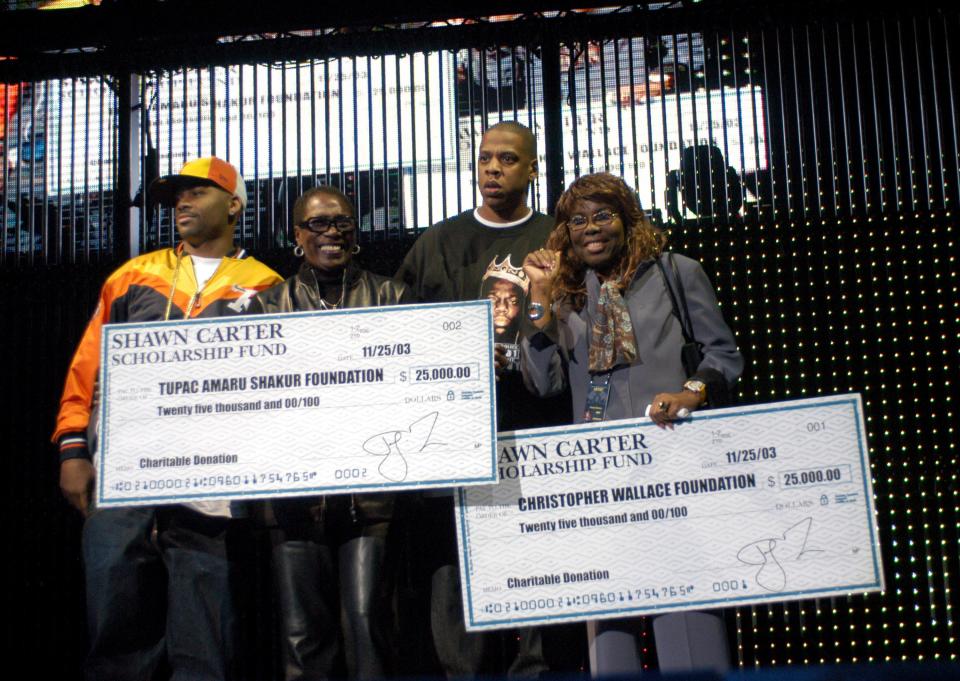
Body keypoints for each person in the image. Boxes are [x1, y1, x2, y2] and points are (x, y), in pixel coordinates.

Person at [53, 156, 282, 681]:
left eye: (197, 192)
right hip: (123, 469)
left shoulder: (265, 284)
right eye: (177, 195)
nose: (182, 202)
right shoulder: (135, 275)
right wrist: (72, 449)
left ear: (233, 205)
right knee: (115, 608)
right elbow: (86, 366)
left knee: (204, 629)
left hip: (211, 476)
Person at [520, 172, 743, 674]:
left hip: (675, 464)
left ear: (627, 218)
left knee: (688, 618)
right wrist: (538, 300)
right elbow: (544, 384)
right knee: (609, 630)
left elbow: (722, 354)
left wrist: (691, 392)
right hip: (602, 480)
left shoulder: (675, 272)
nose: (590, 228)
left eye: (603, 215)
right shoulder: (566, 294)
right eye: (577, 220)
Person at [395, 120, 567, 677]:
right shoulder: (437, 243)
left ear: (533, 168)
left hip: (534, 426)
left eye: (508, 159)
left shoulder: (556, 240)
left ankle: (533, 669)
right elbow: (401, 335)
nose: (492, 168)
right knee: (454, 564)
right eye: (486, 158)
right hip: (452, 436)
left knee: (533, 555)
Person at [248, 186, 409, 680]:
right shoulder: (266, 307)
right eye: (317, 224)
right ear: (298, 235)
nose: (332, 232)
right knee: (302, 638)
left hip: (371, 496)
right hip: (295, 499)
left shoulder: (391, 295)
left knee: (367, 624)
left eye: (342, 222)